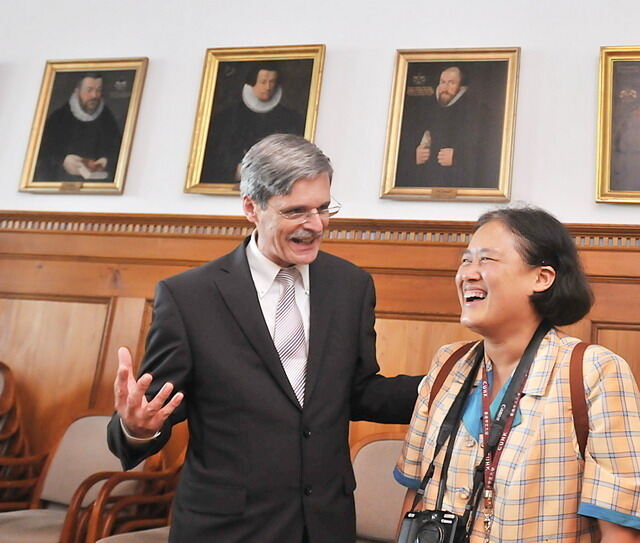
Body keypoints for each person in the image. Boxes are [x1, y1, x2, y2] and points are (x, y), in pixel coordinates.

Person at [108, 134, 421, 542]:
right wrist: (137, 428)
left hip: (324, 525)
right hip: (227, 530)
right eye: (296, 211)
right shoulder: (189, 297)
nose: (316, 225)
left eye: (323, 208)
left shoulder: (351, 286)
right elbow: (155, 408)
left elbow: (358, 392)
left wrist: (449, 387)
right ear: (251, 208)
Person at [395, 206, 640, 542]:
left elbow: (623, 534)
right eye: (465, 260)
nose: (468, 274)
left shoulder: (595, 372)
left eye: (486, 260)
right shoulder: (448, 365)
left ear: (541, 278)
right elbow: (414, 497)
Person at [200, 63, 306, 182]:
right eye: (263, 82)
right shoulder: (226, 118)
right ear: (251, 83)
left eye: (272, 82)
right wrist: (234, 171)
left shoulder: (291, 118)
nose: (268, 87)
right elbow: (213, 160)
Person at [401, 66, 501, 189]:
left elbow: (489, 150)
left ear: (461, 87)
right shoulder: (424, 108)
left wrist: (457, 157)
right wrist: (415, 155)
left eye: (451, 83)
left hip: (461, 183)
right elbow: (403, 143)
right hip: (427, 182)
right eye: (442, 82)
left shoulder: (477, 111)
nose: (445, 88)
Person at [34, 73, 123, 182]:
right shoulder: (58, 117)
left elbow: (118, 150)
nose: (94, 95)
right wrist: (63, 161)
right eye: (89, 90)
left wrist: (106, 161)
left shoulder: (107, 117)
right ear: (77, 91)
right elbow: (42, 154)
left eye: (98, 90)